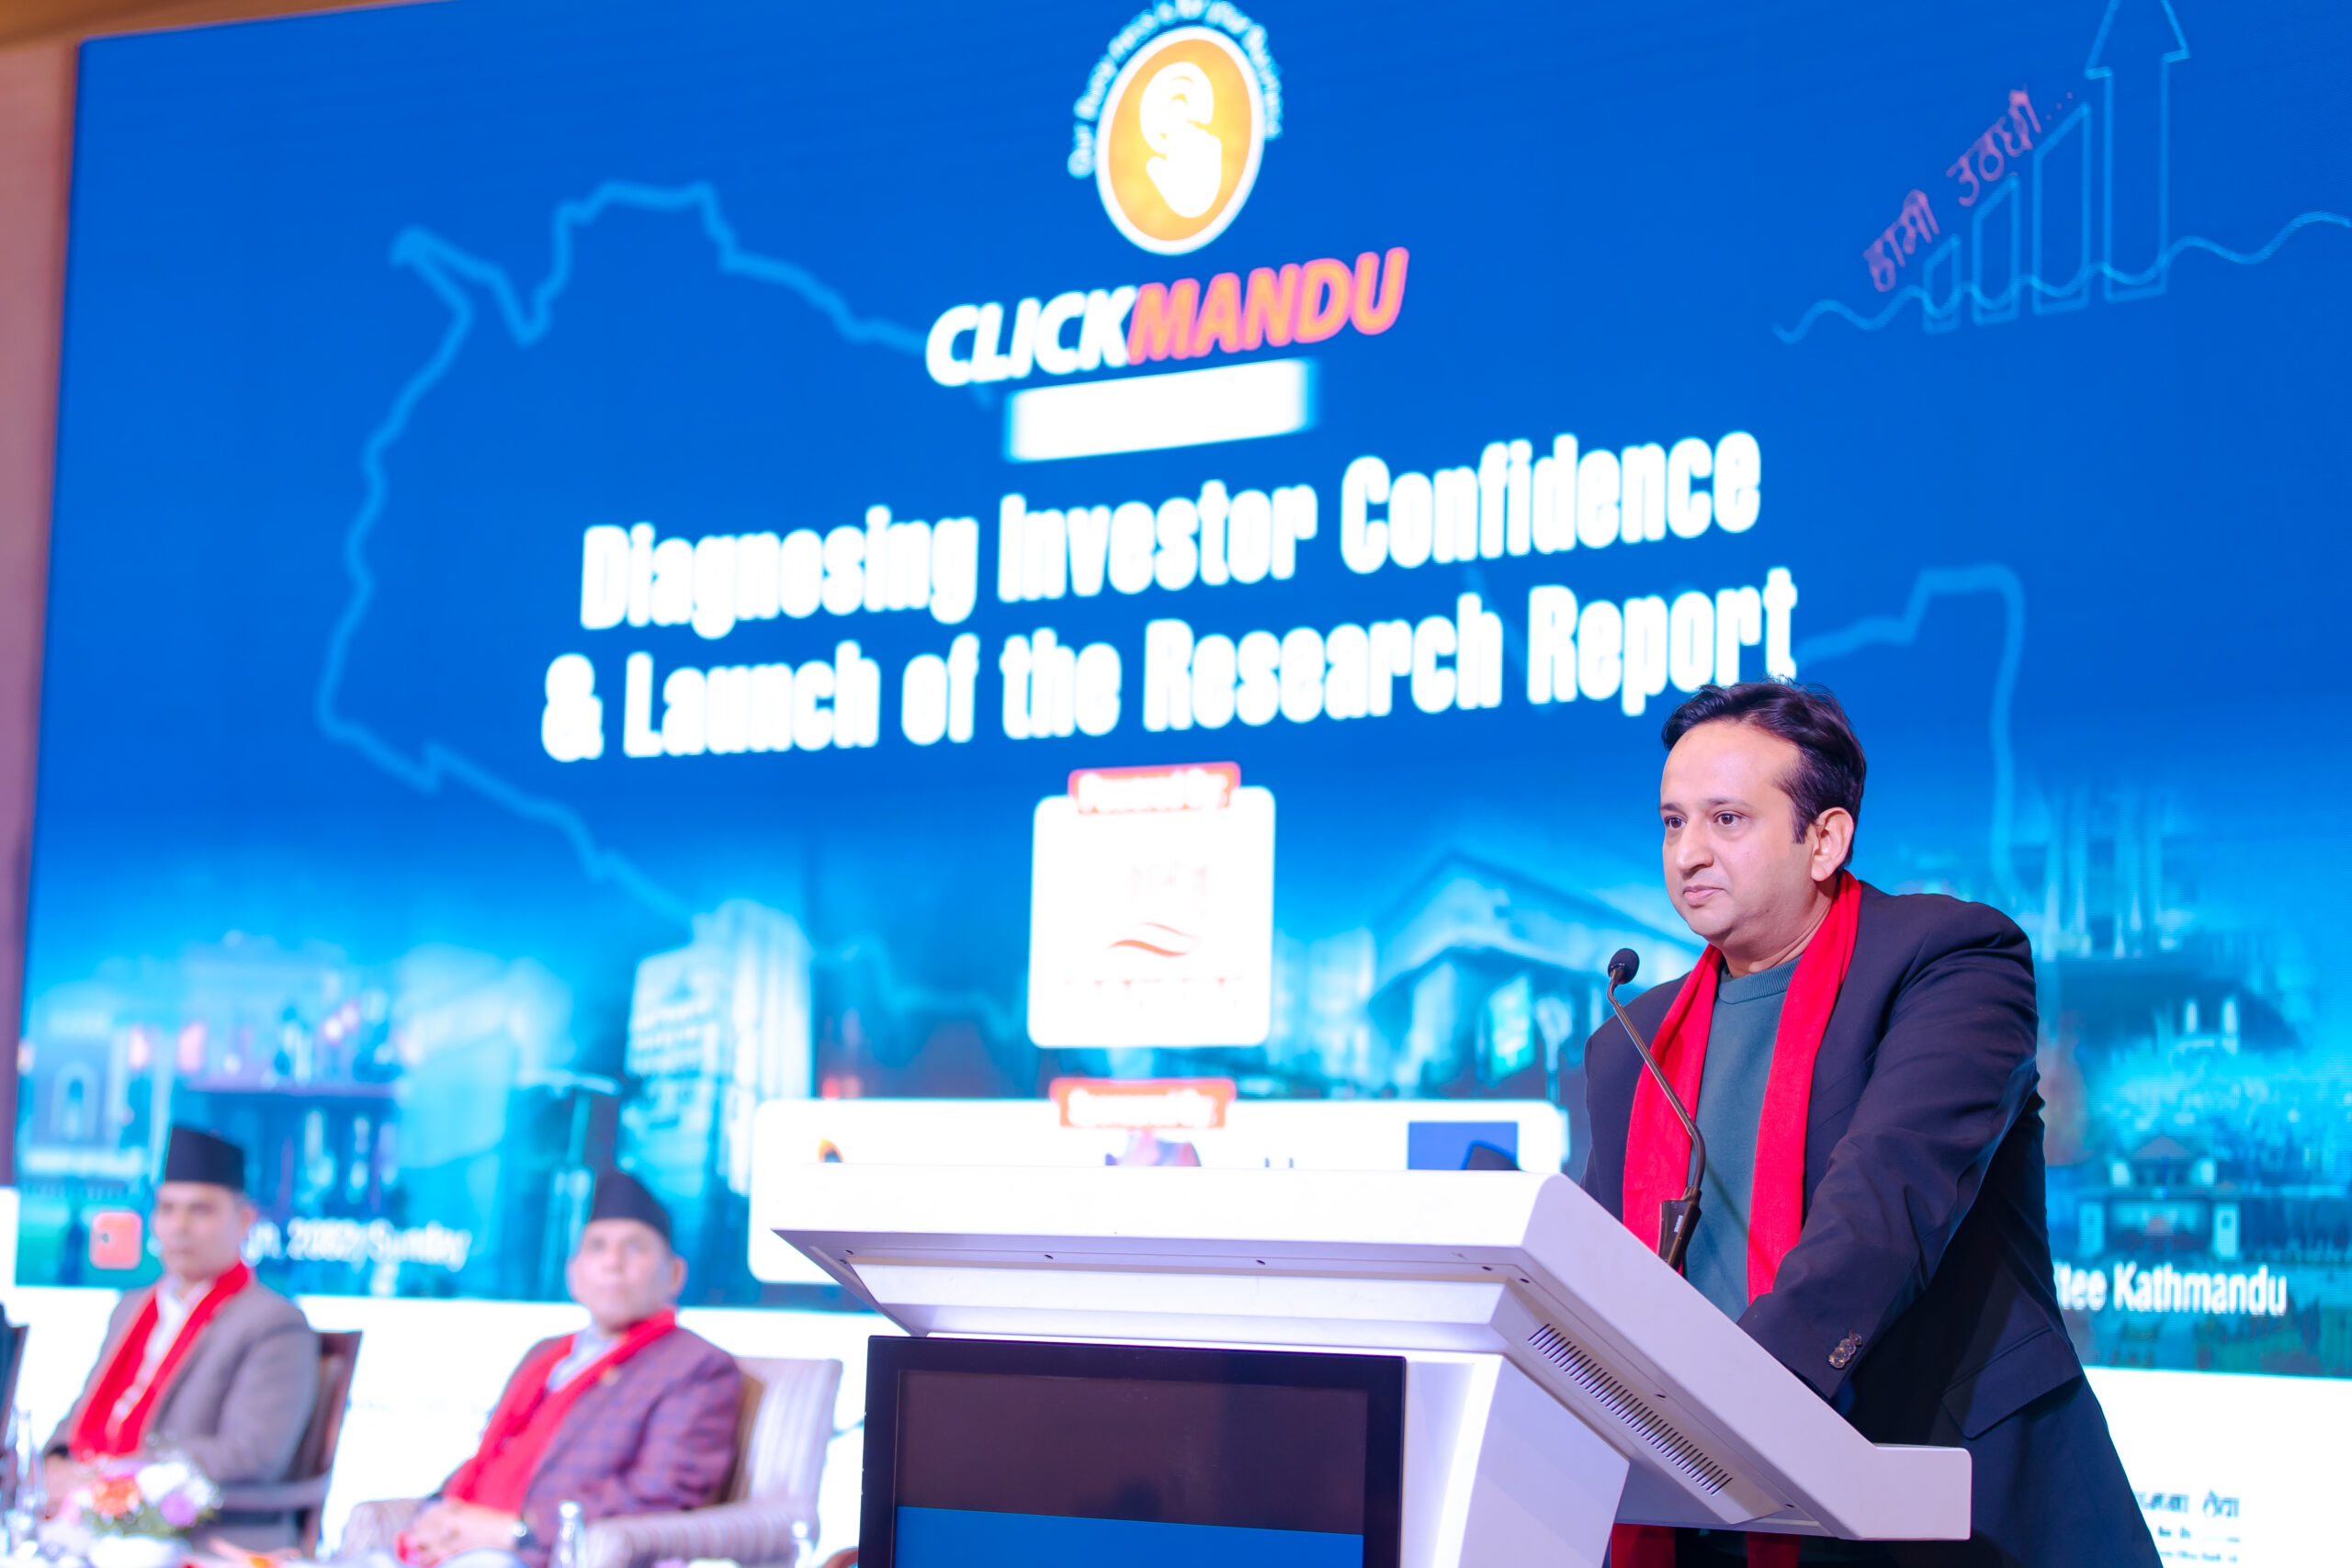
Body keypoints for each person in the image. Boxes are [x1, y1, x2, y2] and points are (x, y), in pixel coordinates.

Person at [1583, 682, 2155, 1568]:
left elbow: (1886, 1203)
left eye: (1726, 819)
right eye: (1672, 822)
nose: (1689, 852)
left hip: (1947, 1510)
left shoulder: (1950, 960)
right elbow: (1596, 1279)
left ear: (1826, 839)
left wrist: (1722, 1416)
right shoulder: (1634, 1039)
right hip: (1697, 1514)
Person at [394, 1171, 740, 1568]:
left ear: (675, 1274)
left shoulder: (695, 1366)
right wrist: (440, 1513)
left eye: (634, 1247)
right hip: (468, 1542)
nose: (612, 1262)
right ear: (573, 1273)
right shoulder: (545, 1355)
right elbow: (498, 1456)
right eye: (597, 1246)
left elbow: (659, 1494)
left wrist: (519, 1531)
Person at [45, 1126, 319, 1548]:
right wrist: (56, 1464)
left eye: (201, 1210)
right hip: (91, 1520)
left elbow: (251, 1453)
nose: (179, 1227)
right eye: (167, 1209)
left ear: (244, 1221)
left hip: (199, 1532)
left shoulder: (274, 1322)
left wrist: (117, 1476)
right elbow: (82, 1418)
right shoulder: (132, 1307)